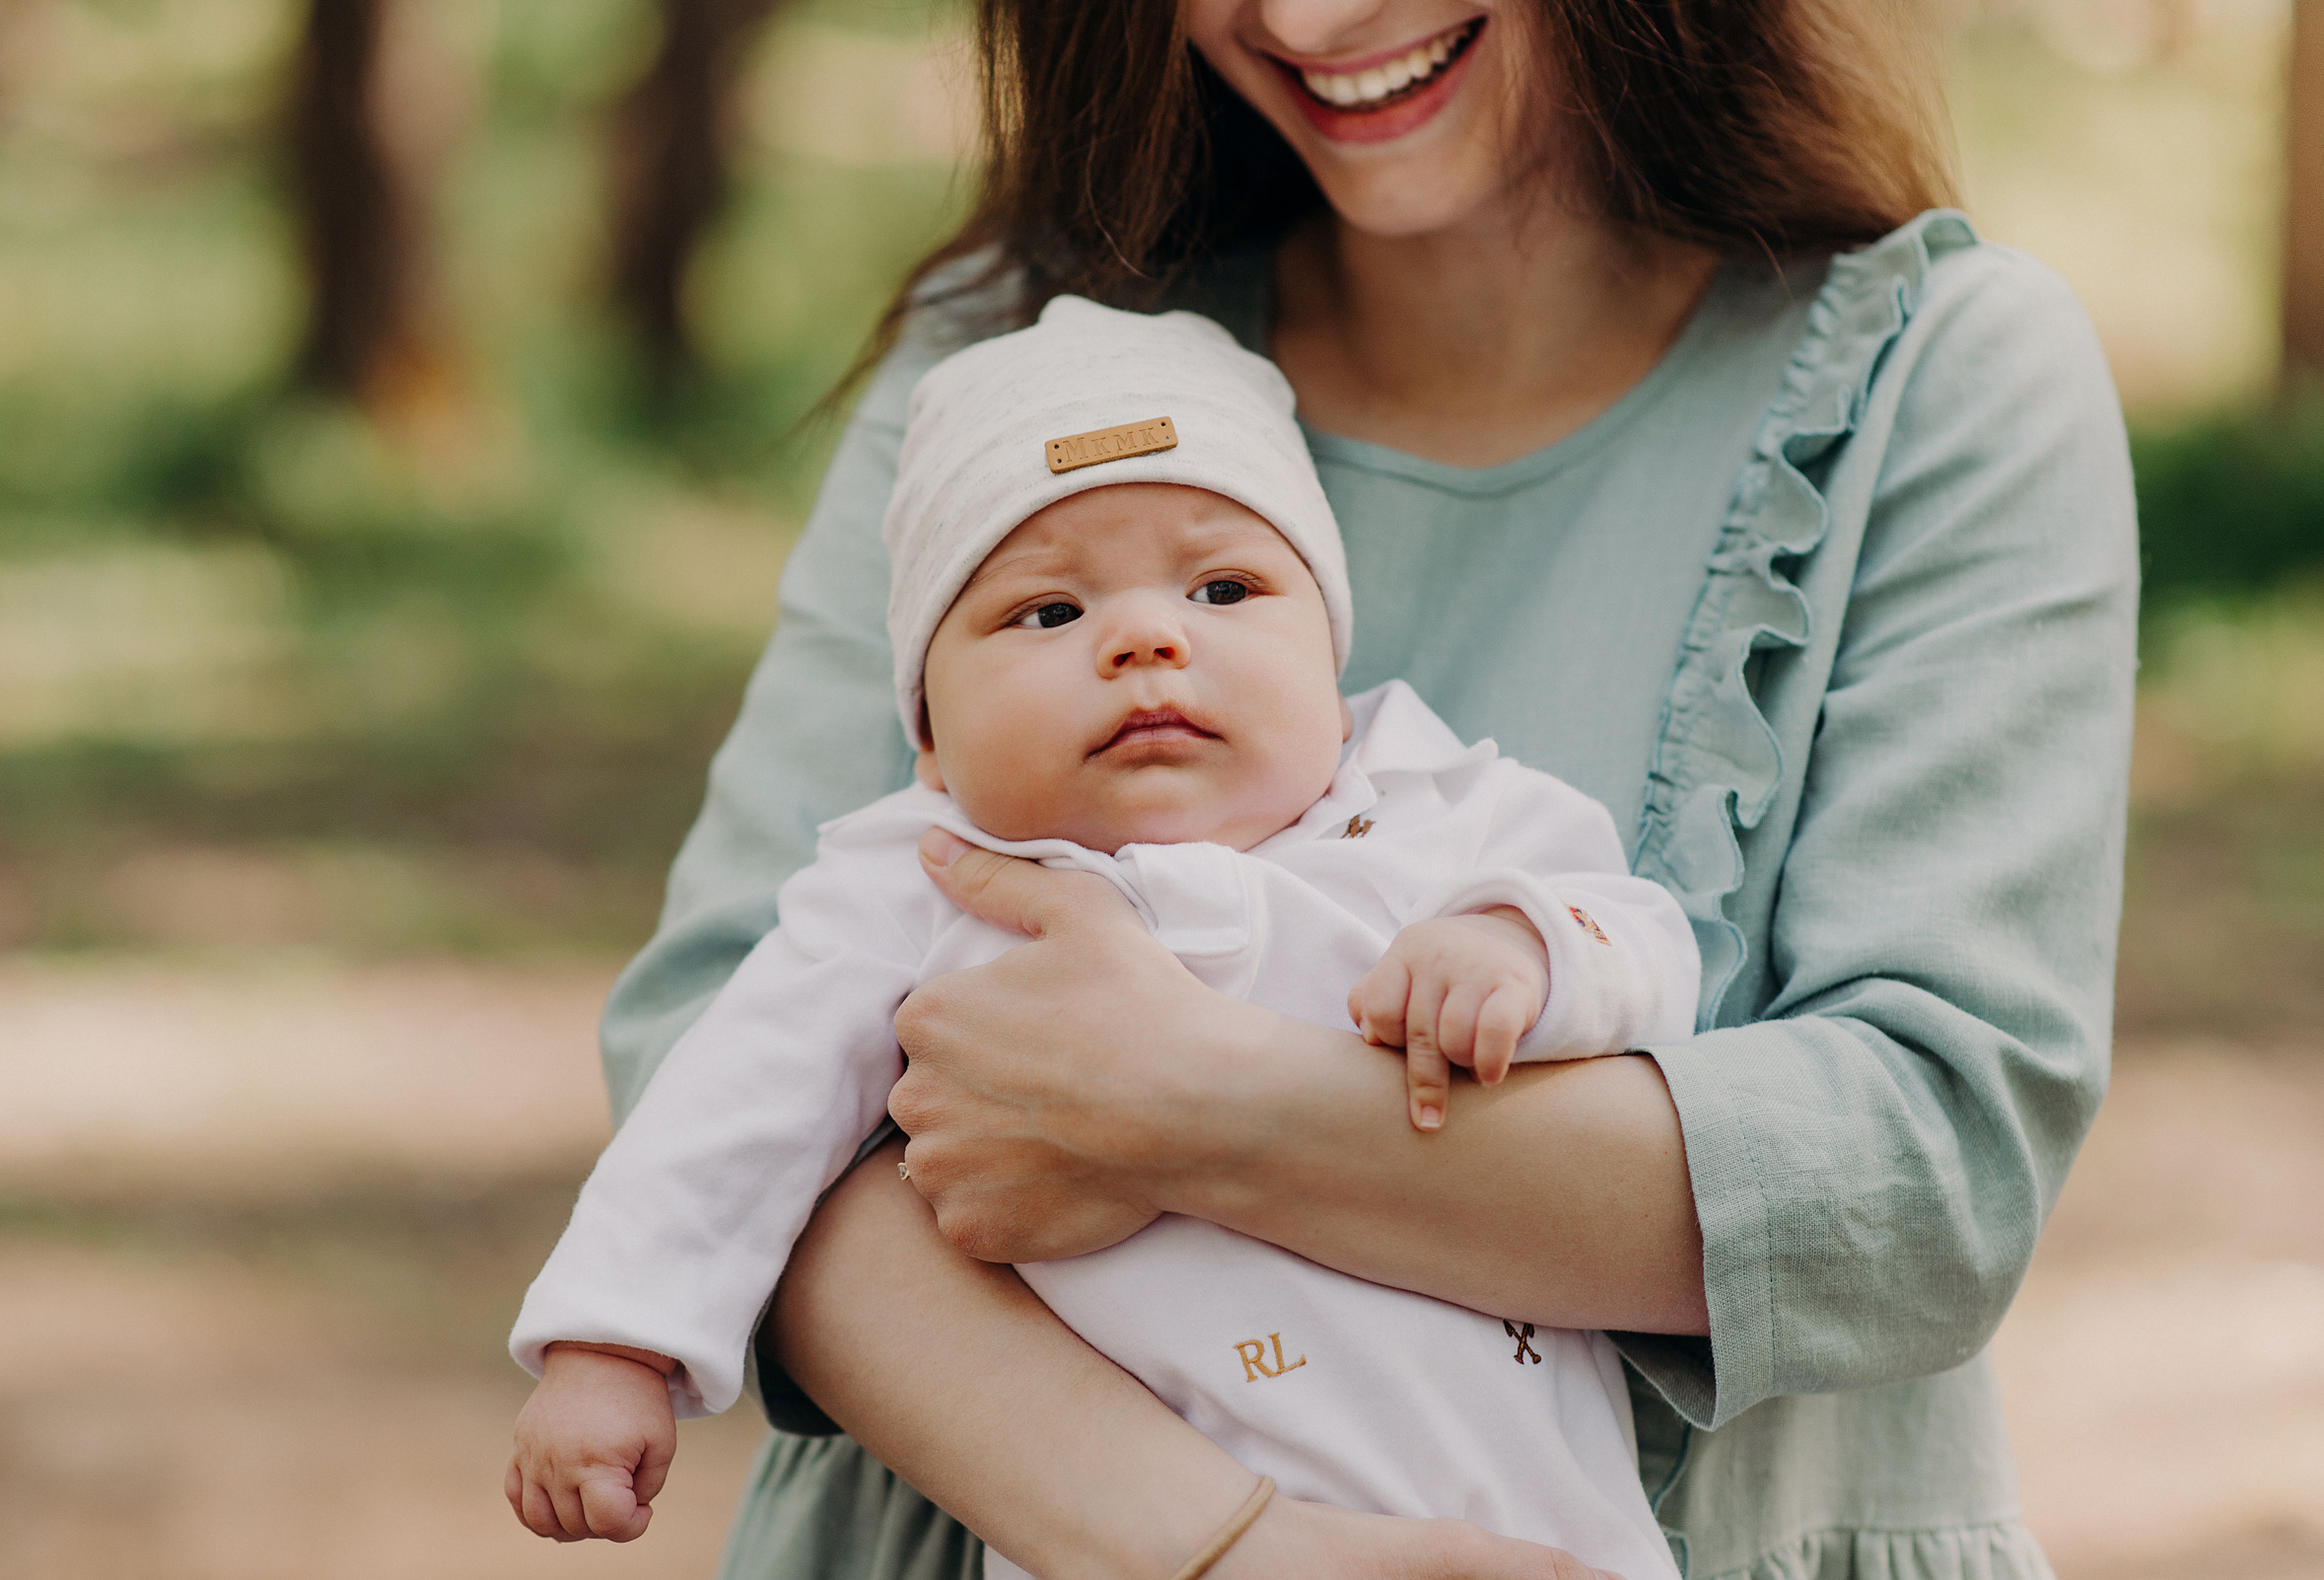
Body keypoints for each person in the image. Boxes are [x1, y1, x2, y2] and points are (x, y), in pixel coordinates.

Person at [574, 2, 2141, 1577]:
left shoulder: (1940, 374)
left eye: (1222, 591)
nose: (1311, 19)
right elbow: (719, 1046)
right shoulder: (1014, 374)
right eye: (1051, 613)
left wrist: (1178, 1103)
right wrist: (1216, 1546)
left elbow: (1925, 1176)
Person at [507, 297, 1705, 1580]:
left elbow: (1644, 939)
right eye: (1048, 612)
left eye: (1224, 587)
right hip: (1155, 1529)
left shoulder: (1435, 800)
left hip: (1546, 1531)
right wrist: (612, 1344)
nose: (1147, 636)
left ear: (1328, 650)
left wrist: (1522, 945)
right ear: (929, 732)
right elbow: (733, 1104)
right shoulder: (919, 880)